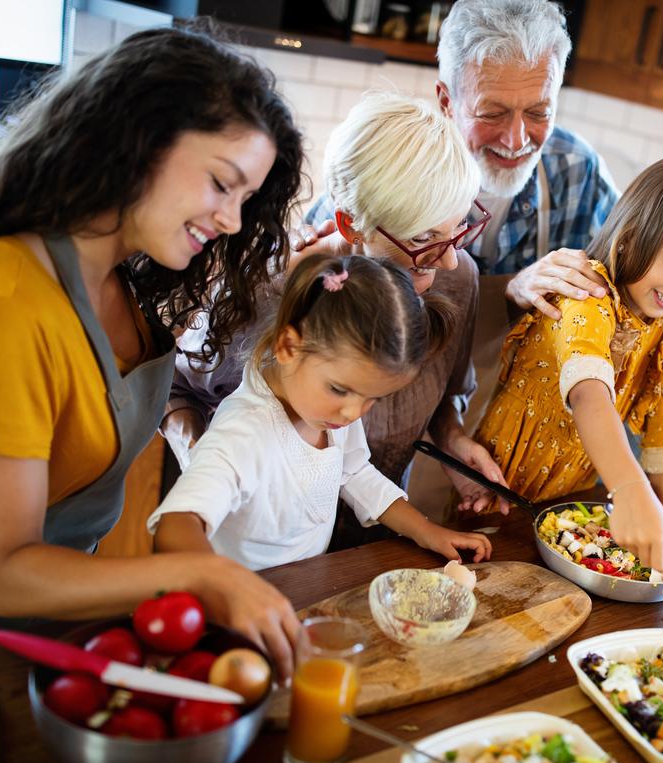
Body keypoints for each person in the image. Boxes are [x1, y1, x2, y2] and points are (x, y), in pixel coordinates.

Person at [0, 25, 306, 672]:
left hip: (53, 632)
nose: (231, 220)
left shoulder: (121, 280)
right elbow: (1, 572)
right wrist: (199, 576)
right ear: (139, 141)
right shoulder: (6, 304)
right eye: (222, 183)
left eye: (246, 200)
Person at [164, 92, 512, 526]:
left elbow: (444, 395)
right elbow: (178, 390)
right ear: (351, 223)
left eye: (460, 227)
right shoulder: (265, 290)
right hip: (258, 536)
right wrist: (204, 466)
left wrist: (454, 442)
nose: (449, 260)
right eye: (422, 239)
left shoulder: (458, 279)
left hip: (378, 530)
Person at [473, 156, 663, 571]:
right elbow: (587, 394)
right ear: (633, 238)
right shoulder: (587, 295)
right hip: (491, 496)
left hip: (565, 505)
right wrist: (633, 490)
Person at [149, 255, 493, 569]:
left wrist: (425, 531)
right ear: (288, 346)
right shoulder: (244, 432)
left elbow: (354, 471)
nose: (352, 412)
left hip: (306, 584)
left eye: (372, 398)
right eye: (340, 389)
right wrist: (226, 585)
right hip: (242, 599)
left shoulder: (328, 411)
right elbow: (177, 525)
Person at [297, 0, 619, 317]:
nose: (517, 139)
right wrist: (299, 247)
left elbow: (638, 284)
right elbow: (312, 261)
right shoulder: (394, 164)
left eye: (539, 112)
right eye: (492, 114)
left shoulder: (578, 170)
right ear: (446, 101)